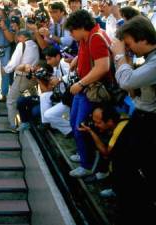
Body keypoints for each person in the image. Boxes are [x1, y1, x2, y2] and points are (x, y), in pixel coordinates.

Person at [110, 15, 156, 225]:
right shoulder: (149, 58)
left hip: (149, 122)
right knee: (122, 159)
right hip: (142, 117)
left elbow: (126, 80)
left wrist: (119, 56)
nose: (127, 49)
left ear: (141, 38)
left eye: (128, 44)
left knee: (132, 164)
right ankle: (131, 204)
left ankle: (135, 210)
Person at [64, 9, 112, 178]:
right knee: (74, 122)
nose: (71, 34)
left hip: (90, 89)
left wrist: (81, 83)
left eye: (72, 31)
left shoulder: (96, 37)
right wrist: (77, 58)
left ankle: (87, 164)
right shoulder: (86, 37)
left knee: (81, 126)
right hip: (84, 88)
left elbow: (102, 67)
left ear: (81, 27)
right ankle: (84, 153)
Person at [3, 29, 39, 132]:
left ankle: (13, 125)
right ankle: (32, 121)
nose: (18, 39)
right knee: (32, 99)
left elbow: (14, 61)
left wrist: (6, 69)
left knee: (11, 100)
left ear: (23, 37)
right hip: (33, 77)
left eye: (19, 37)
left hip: (22, 76)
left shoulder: (21, 45)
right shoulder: (35, 45)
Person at [41, 46, 72, 136]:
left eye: (50, 59)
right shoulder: (56, 66)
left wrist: (59, 79)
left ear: (58, 57)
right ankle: (47, 124)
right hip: (62, 95)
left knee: (48, 114)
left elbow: (73, 76)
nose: (48, 62)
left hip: (70, 99)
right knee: (44, 96)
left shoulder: (64, 63)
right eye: (47, 60)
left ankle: (70, 130)